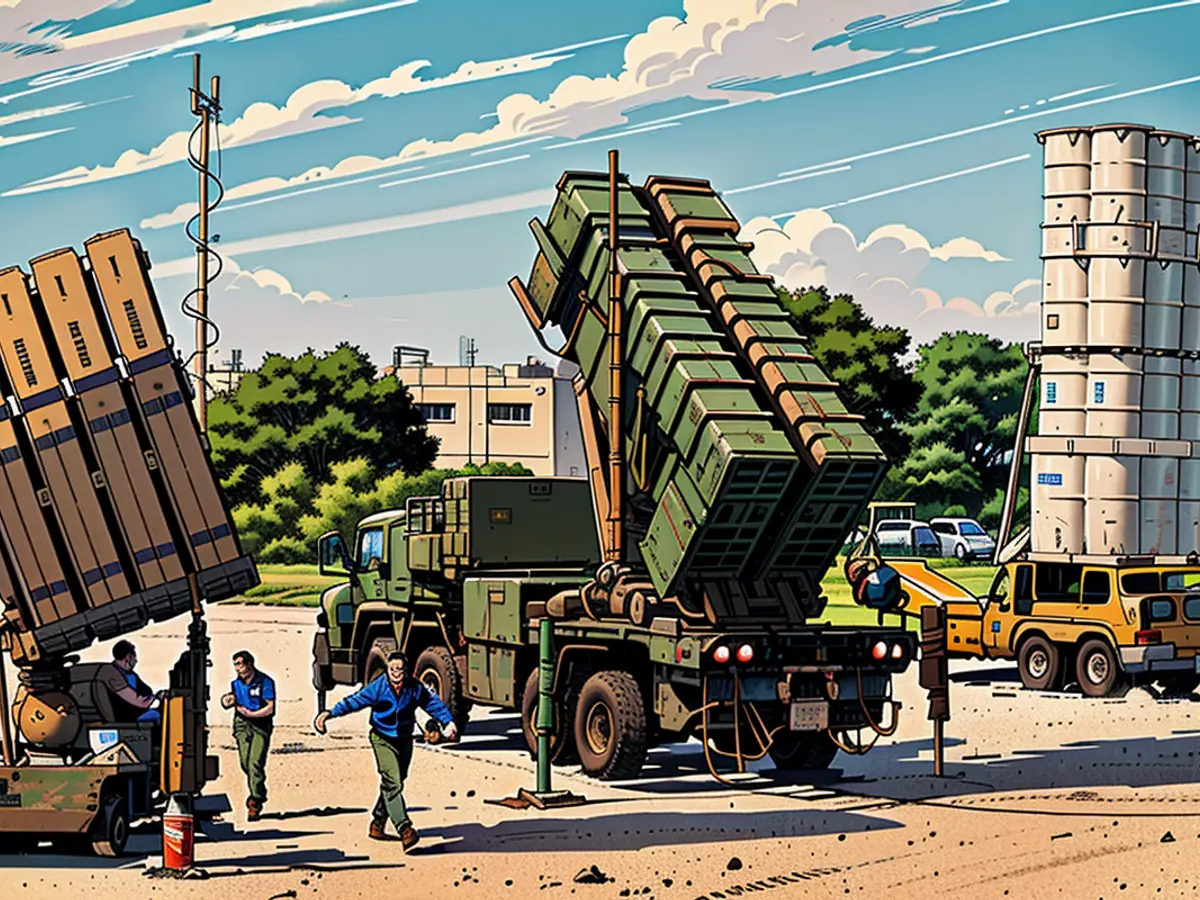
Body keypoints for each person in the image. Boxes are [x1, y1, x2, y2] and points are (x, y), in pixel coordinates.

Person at [313, 651, 457, 851]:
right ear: (388, 669)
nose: (396, 672)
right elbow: (355, 701)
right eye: (392, 668)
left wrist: (448, 721)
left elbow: (431, 703)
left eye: (400, 668)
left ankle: (378, 822)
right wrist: (329, 714)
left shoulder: (414, 687)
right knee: (392, 781)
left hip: (404, 739)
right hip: (382, 738)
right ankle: (405, 828)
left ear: (405, 670)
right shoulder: (378, 687)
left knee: (397, 780)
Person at [220, 650, 275, 822]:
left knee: (255, 762)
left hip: (260, 723)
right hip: (242, 722)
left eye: (241, 664)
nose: (238, 668)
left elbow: (271, 707)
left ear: (250, 664)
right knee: (245, 762)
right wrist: (227, 701)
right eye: (236, 665)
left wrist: (254, 714)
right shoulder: (236, 684)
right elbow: (231, 701)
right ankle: (257, 789)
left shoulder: (265, 681)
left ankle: (256, 799)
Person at [97, 640, 163, 724]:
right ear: (128, 657)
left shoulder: (129, 674)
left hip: (130, 714)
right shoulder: (113, 675)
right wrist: (156, 697)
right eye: (134, 657)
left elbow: (146, 690)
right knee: (160, 715)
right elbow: (140, 702)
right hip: (125, 718)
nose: (136, 661)